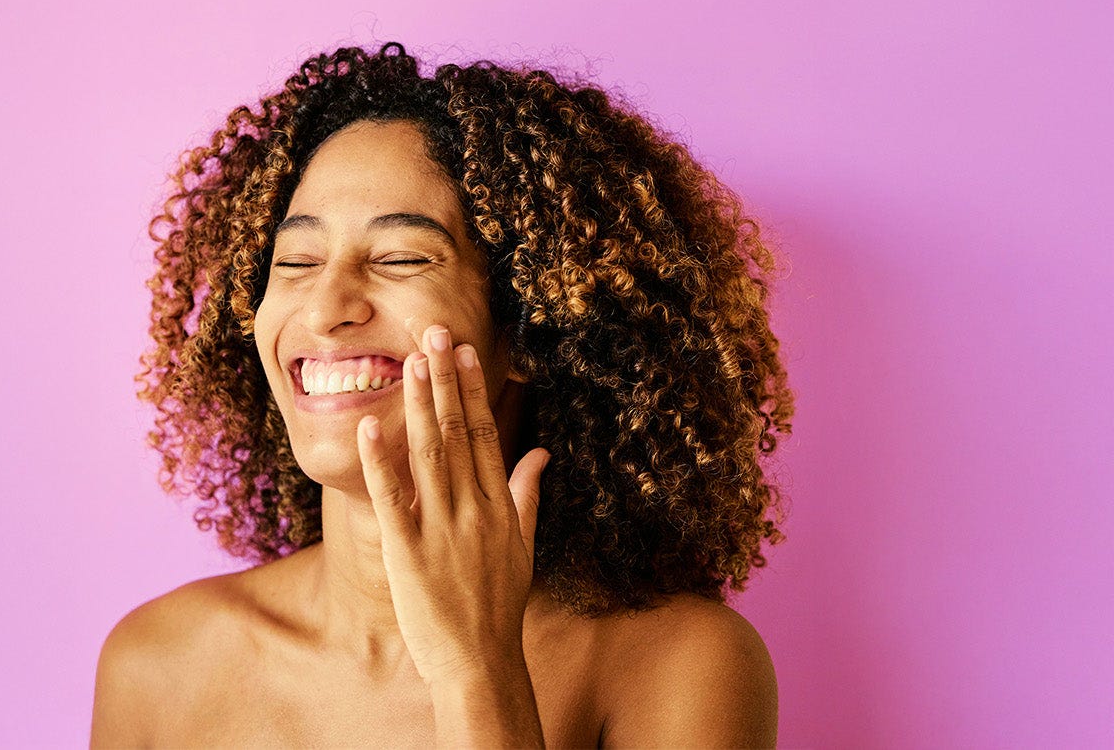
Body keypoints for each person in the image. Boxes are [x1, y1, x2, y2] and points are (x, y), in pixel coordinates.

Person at [91, 42, 794, 748]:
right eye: (296, 262)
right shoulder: (159, 664)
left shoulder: (681, 663)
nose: (324, 307)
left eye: (400, 259)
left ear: (528, 332)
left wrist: (476, 670)